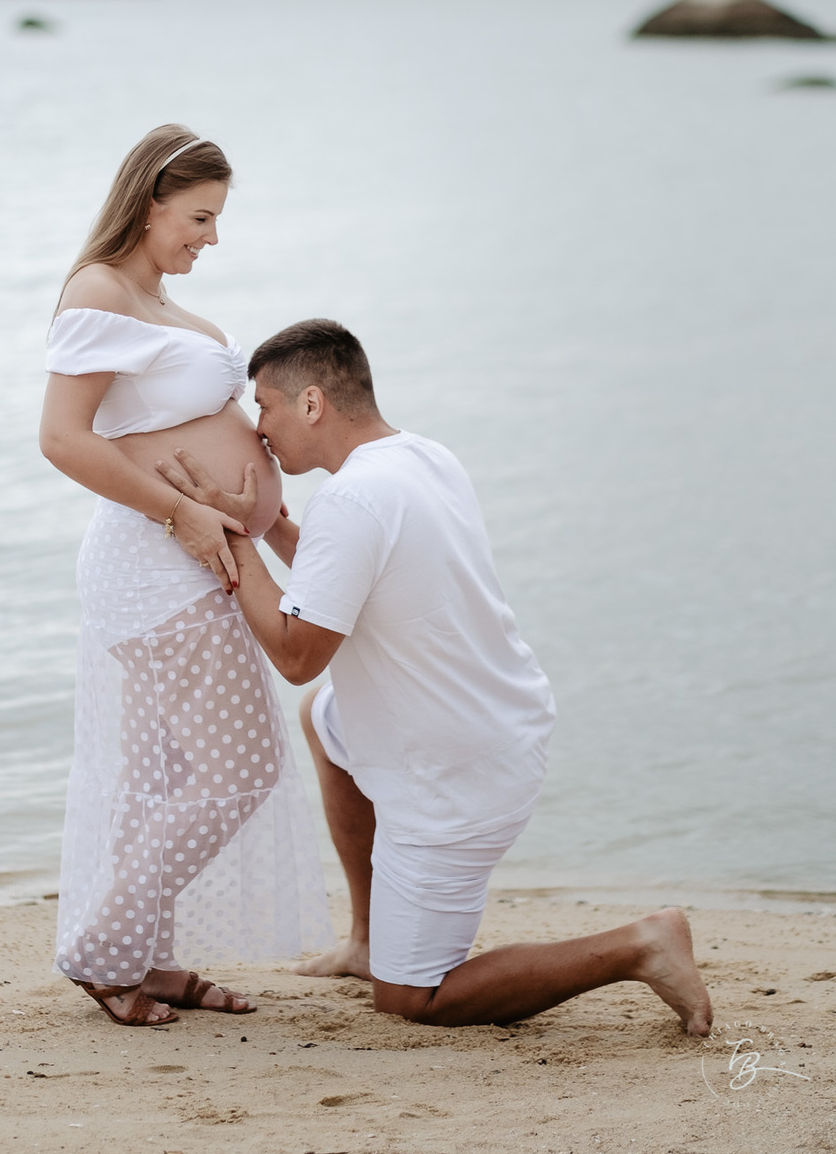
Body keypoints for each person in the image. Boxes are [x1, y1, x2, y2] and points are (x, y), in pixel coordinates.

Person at [155, 318, 713, 1036]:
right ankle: (367, 940)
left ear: (312, 403)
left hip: (452, 777)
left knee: (413, 999)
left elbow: (296, 655)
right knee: (324, 717)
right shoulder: (420, 458)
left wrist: (230, 541)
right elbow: (351, 569)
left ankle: (640, 945)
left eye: (264, 406)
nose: (259, 429)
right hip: (498, 723)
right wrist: (263, 527)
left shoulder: (351, 500)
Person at [38, 128, 329, 1029]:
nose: (212, 236)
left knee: (163, 778)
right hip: (158, 567)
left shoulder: (157, 303)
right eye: (199, 217)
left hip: (190, 563)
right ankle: (104, 950)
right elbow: (63, 438)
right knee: (241, 768)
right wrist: (181, 514)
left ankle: (150, 962)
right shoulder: (100, 291)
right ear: (150, 202)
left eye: (217, 219)